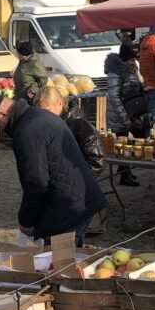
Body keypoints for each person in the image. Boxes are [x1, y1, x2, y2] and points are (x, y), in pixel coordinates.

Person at [0, 92, 105, 247]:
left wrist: (26, 220)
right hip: (77, 202)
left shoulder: (26, 130)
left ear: (0, 113)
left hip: (66, 211)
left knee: (60, 266)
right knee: (71, 261)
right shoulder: (39, 116)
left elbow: (36, 181)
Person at [39, 88, 108, 235]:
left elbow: (97, 159)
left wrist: (78, 183)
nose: (43, 117)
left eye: (47, 111)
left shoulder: (80, 126)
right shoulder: (50, 125)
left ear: (59, 104)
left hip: (77, 196)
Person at [104, 44, 151, 186]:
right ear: (123, 61)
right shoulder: (115, 73)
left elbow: (132, 88)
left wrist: (143, 88)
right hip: (119, 115)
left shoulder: (132, 70)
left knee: (140, 137)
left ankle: (125, 172)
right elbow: (114, 97)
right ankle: (124, 175)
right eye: (130, 60)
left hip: (132, 112)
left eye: (134, 59)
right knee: (123, 144)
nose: (133, 62)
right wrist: (124, 117)